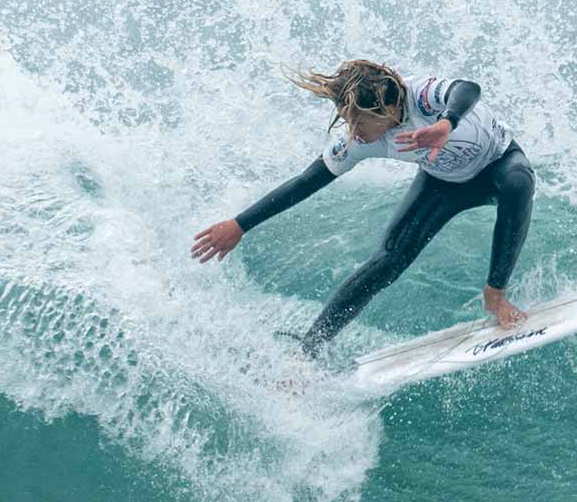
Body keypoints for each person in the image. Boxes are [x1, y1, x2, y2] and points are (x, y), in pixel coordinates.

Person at [191, 59, 536, 358]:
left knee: (518, 183)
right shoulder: (358, 141)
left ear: (383, 111)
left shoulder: (420, 95)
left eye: (357, 121)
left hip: (498, 162)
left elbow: (466, 88)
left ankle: (495, 295)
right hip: (442, 183)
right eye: (345, 120)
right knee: (387, 260)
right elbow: (309, 180)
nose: (352, 131)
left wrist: (445, 124)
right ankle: (309, 349)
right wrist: (240, 224)